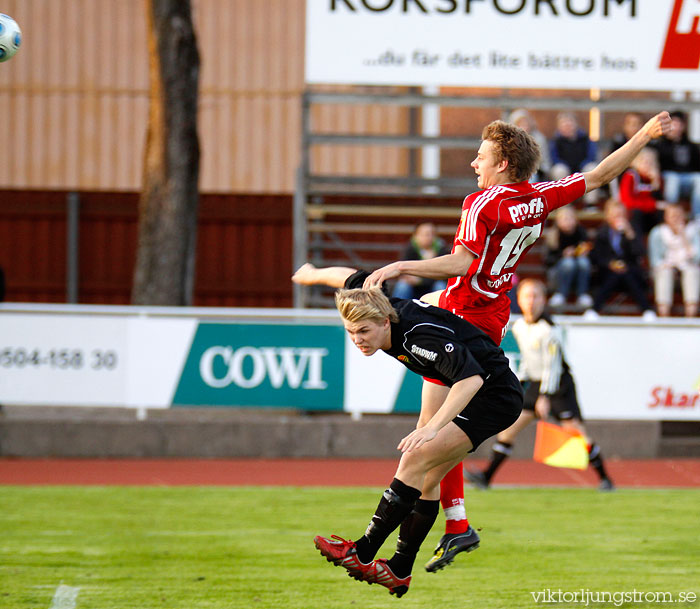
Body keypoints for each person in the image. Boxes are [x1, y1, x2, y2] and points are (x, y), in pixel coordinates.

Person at [360, 111, 671, 569]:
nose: (474, 163)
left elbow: (461, 262)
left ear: (503, 163)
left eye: (481, 156)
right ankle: (454, 526)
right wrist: (644, 135)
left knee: (429, 434)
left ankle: (421, 541)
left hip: (460, 311)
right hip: (491, 315)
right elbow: (604, 172)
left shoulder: (482, 203)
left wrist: (400, 266)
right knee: (435, 431)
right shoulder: (539, 196)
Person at [292, 264, 522, 597]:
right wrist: (313, 274)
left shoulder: (418, 337)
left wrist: (433, 427)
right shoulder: (377, 304)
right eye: (351, 332)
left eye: (364, 332)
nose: (358, 340)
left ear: (385, 322)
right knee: (427, 478)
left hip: (493, 398)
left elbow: (470, 379)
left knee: (414, 460)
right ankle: (399, 570)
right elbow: (351, 277)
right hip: (477, 392)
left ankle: (363, 551)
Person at [465, 279, 614, 492]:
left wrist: (545, 396)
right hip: (536, 384)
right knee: (508, 430)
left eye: (536, 296)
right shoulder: (519, 327)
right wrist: (519, 382)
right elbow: (528, 360)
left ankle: (605, 479)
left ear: (544, 301)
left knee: (577, 434)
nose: (531, 301)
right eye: (527, 296)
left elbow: (553, 366)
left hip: (558, 387)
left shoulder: (549, 329)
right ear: (519, 299)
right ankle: (486, 477)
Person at [589, 199, 655, 318]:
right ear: (608, 216)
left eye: (621, 215)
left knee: (627, 273)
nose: (618, 218)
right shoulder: (602, 233)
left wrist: (630, 235)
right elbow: (597, 257)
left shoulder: (633, 230)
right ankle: (594, 309)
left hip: (630, 270)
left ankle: (647, 310)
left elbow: (639, 253)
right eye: (615, 215)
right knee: (615, 275)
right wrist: (610, 264)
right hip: (608, 272)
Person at [648, 203, 700, 317]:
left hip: (686, 267)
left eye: (678, 215)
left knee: (692, 272)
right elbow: (655, 260)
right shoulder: (657, 233)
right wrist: (667, 265)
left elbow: (697, 258)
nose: (675, 219)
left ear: (683, 217)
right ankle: (664, 316)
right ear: (666, 217)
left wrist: (684, 236)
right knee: (664, 273)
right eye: (672, 216)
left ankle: (690, 318)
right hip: (666, 268)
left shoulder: (693, 231)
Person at [651, 110, 700, 220]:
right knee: (673, 180)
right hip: (668, 177)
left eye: (679, 124)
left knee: (699, 179)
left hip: (688, 178)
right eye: (674, 124)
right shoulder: (660, 145)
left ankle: (697, 217)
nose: (676, 128)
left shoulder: (690, 146)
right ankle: (670, 214)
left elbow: (697, 166)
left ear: (683, 126)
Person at [544, 206, 593, 309]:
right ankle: (561, 293)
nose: (568, 222)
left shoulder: (581, 232)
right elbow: (548, 260)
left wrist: (584, 252)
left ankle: (582, 294)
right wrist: (563, 255)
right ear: (558, 221)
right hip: (558, 271)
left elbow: (590, 253)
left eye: (570, 218)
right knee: (568, 263)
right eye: (565, 219)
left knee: (584, 261)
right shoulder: (554, 235)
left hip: (579, 267)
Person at [549, 112, 598, 206]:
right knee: (559, 170)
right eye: (564, 124)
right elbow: (554, 159)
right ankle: (565, 204)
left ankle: (590, 204)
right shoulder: (556, 141)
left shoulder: (585, 139)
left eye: (570, 123)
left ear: (576, 124)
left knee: (591, 168)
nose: (568, 126)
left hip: (582, 169)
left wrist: (580, 169)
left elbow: (591, 156)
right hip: (565, 170)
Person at [392, 222, 450, 301]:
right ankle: (398, 310)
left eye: (432, 234)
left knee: (440, 286)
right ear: (416, 236)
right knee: (402, 285)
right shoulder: (410, 249)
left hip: (433, 286)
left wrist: (420, 280)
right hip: (413, 287)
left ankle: (442, 312)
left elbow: (443, 274)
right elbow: (404, 273)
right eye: (425, 234)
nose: (429, 237)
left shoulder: (441, 250)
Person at [618, 147, 664, 236]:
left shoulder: (657, 178)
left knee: (662, 213)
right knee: (636, 213)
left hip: (650, 213)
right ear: (636, 162)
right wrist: (653, 205)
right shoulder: (630, 176)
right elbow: (627, 202)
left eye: (652, 163)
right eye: (645, 162)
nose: (649, 166)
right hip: (635, 213)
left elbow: (660, 201)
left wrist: (656, 184)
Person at [508, 108, 552, 180]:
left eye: (526, 123)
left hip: (535, 171)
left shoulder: (539, 138)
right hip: (514, 171)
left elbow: (544, 161)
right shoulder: (510, 140)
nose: (524, 126)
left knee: (531, 177)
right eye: (520, 124)